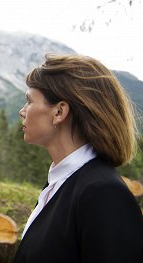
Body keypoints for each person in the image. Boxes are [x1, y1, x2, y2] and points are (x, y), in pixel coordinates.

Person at [13, 54, 143, 262]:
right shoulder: (60, 184)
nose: (22, 111)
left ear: (59, 112)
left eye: (29, 101)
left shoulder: (102, 193)